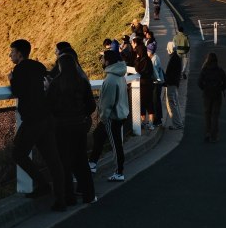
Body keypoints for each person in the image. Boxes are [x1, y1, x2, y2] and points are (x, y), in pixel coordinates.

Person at [8, 39, 66, 211]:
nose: (10, 55)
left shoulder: (19, 69)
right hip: (47, 118)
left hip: (33, 120)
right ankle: (60, 200)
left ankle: (42, 185)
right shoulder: (39, 66)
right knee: (53, 160)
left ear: (19, 53)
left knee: (18, 153)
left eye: (11, 52)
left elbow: (18, 92)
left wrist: (11, 79)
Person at [45, 52, 97, 205]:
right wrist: (82, 115)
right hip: (79, 127)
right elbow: (91, 106)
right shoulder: (82, 82)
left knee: (64, 163)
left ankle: (69, 197)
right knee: (81, 161)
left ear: (60, 66)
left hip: (61, 128)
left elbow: (49, 106)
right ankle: (89, 195)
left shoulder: (56, 83)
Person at [88, 50, 129, 181]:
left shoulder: (110, 79)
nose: (102, 61)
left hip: (111, 117)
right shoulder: (120, 75)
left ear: (108, 61)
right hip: (120, 114)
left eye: (103, 59)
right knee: (98, 135)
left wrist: (102, 118)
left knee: (115, 144)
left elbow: (107, 103)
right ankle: (92, 163)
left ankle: (119, 172)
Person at [198, 52, 226, 143]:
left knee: (207, 114)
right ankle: (214, 136)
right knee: (215, 115)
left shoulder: (204, 70)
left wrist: (204, 88)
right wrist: (221, 88)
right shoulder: (220, 70)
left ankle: (207, 132)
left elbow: (199, 83)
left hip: (207, 94)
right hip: (217, 94)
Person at [133, 40, 155, 129]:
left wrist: (137, 59)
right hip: (149, 84)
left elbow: (138, 70)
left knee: (142, 104)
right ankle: (151, 123)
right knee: (149, 104)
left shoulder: (141, 60)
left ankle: (143, 122)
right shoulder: (148, 60)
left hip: (142, 85)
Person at [164, 41, 183, 130]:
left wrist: (165, 80)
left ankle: (177, 124)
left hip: (171, 84)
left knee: (173, 103)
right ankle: (178, 122)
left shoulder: (173, 59)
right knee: (175, 103)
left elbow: (170, 73)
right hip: (174, 83)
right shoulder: (177, 58)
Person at [147, 42, 164, 126]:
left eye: (148, 51)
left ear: (151, 51)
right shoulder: (154, 57)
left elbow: (155, 73)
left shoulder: (154, 59)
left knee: (155, 101)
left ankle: (157, 120)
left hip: (156, 83)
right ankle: (157, 119)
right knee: (156, 101)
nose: (147, 53)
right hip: (157, 82)